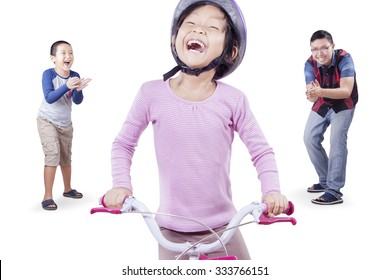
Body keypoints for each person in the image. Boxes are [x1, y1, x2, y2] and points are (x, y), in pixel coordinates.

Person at [103, 0, 289, 259]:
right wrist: (121, 186)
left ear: (230, 51)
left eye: (212, 27)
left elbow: (261, 151)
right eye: (190, 23)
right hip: (169, 230)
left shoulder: (234, 100)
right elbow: (123, 144)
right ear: (175, 38)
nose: (199, 30)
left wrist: (271, 191)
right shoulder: (150, 94)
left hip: (225, 227)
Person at [304, 30, 358, 205]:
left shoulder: (345, 59)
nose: (319, 53)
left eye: (324, 48)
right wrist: (312, 94)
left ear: (332, 46)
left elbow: (346, 90)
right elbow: (312, 96)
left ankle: (334, 190)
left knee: (337, 140)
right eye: (314, 49)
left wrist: (319, 92)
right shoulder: (309, 64)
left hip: (344, 103)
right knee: (309, 138)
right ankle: (325, 180)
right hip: (323, 101)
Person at [37, 40, 91, 210]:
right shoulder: (49, 74)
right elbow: (49, 97)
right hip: (47, 120)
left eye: (71, 52)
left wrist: (79, 89)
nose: (68, 56)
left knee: (66, 157)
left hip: (66, 123)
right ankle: (47, 196)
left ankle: (67, 189)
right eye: (63, 53)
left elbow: (77, 101)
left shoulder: (74, 74)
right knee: (53, 155)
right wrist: (66, 86)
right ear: (53, 58)